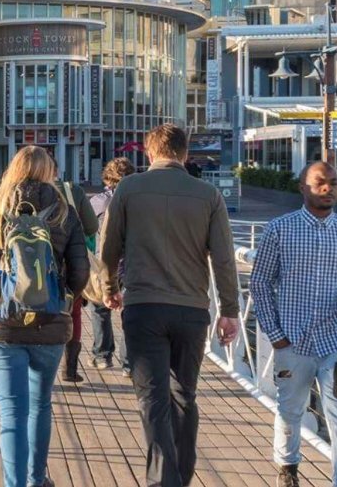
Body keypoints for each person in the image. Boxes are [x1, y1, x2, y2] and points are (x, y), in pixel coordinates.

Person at [98, 124, 239, 487]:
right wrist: (229, 311)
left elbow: (108, 249)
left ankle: (164, 480)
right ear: (185, 154)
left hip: (143, 306)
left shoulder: (128, 189)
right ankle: (181, 475)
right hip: (191, 310)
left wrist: (110, 288)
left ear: (148, 153)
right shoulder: (208, 195)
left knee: (152, 396)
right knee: (184, 395)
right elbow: (223, 259)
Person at [0, 145, 89, 487]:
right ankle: (37, 479)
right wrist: (62, 298)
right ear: (49, 170)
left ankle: (14, 484)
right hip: (51, 324)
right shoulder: (65, 212)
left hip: (2, 324)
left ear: (13, 170)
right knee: (40, 405)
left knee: (12, 412)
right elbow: (80, 274)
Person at [249, 161, 337, 487]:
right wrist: (275, 334)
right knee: (290, 410)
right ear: (302, 187)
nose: (327, 188)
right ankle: (287, 467)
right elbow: (260, 282)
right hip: (292, 339)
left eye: (333, 182)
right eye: (319, 182)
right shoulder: (279, 229)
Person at [88, 156, 135, 370]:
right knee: (130, 312)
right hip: (132, 263)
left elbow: (86, 227)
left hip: (103, 263)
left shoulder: (99, 201)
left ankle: (102, 355)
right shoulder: (138, 201)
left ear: (108, 179)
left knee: (99, 308)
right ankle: (129, 363)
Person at [56, 166, 99, 384]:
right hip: (70, 263)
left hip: (32, 266)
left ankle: (37, 369)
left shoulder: (18, 191)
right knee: (73, 312)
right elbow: (92, 226)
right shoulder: (72, 191)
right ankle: (69, 369)